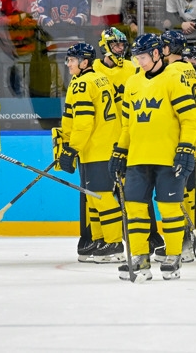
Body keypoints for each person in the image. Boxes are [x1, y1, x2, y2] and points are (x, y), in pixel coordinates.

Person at [112, 33, 196, 280]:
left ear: (156, 53)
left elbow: (191, 119)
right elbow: (127, 124)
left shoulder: (174, 79)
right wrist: (120, 151)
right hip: (138, 158)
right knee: (135, 207)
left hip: (168, 157)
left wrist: (185, 148)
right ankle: (139, 256)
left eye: (142, 56)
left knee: (170, 207)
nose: (139, 62)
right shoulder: (133, 83)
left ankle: (173, 254)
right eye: (136, 57)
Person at [58, 41, 127, 264]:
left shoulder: (81, 84)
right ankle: (100, 239)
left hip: (98, 149)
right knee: (93, 198)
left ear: (84, 62)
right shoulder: (101, 78)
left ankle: (114, 243)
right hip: (102, 147)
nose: (68, 64)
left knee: (102, 197)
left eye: (71, 60)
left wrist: (71, 148)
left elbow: (83, 123)